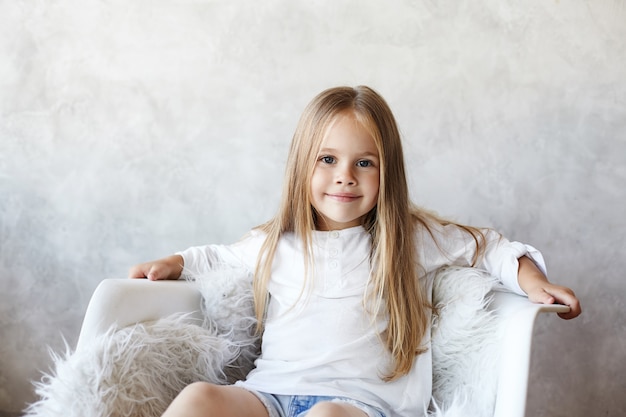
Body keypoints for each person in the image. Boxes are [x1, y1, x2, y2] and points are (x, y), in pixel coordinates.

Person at [129, 86, 581, 417]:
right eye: (327, 160)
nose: (345, 176)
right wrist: (176, 262)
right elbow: (218, 258)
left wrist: (533, 282)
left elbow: (490, 247)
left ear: (388, 173)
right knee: (198, 399)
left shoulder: (409, 239)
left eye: (364, 163)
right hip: (270, 396)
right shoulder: (276, 242)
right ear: (301, 167)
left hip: (361, 406)